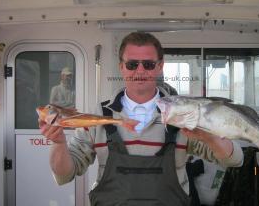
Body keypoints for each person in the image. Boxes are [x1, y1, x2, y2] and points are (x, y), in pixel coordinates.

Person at [39, 32, 243, 205]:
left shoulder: (185, 113)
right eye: (132, 64)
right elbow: (65, 174)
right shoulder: (99, 115)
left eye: (147, 64)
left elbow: (235, 160)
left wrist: (209, 137)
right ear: (121, 67)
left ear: (160, 66)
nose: (140, 71)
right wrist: (58, 143)